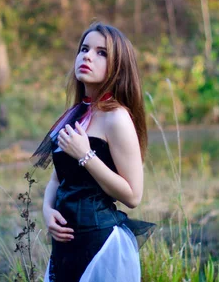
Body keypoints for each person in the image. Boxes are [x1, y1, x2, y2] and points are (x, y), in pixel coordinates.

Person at [31, 22, 155, 282]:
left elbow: (133, 195)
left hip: (101, 247)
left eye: (102, 52)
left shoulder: (117, 117)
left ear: (118, 66)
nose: (87, 56)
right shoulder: (76, 114)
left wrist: (86, 156)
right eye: (84, 49)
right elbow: (58, 178)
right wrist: (46, 209)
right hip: (65, 249)